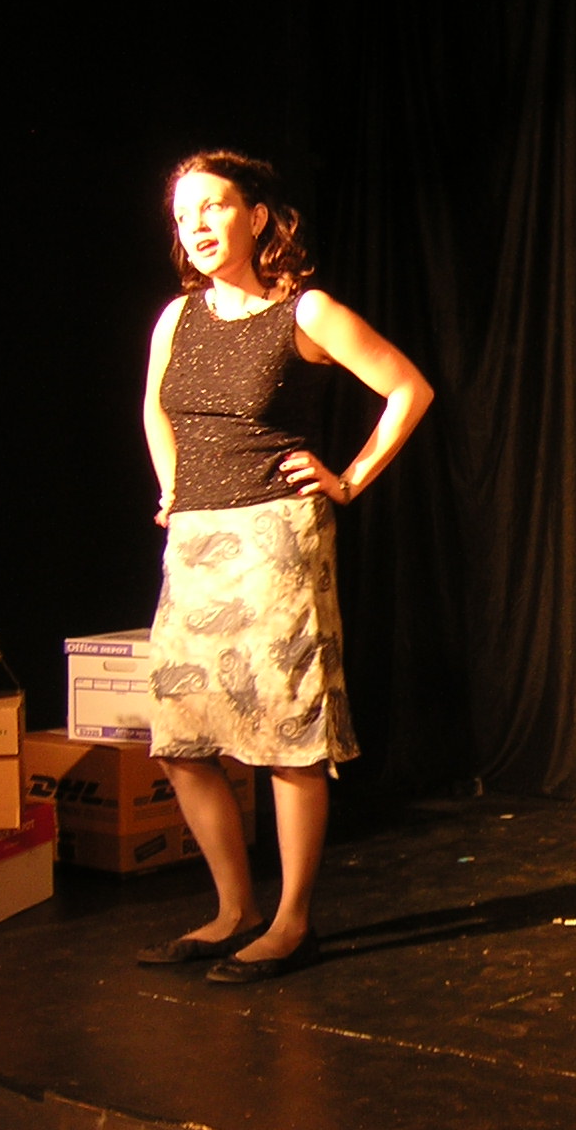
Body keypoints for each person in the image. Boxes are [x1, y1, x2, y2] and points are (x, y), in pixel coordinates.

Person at [137, 150, 433, 982]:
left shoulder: (305, 311)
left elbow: (407, 388)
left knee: (287, 737)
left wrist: (349, 480)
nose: (195, 226)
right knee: (182, 739)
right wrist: (172, 490)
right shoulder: (176, 318)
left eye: (212, 207)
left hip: (277, 538)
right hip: (195, 540)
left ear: (257, 216)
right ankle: (233, 909)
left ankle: (293, 921)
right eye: (183, 215)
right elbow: (157, 410)